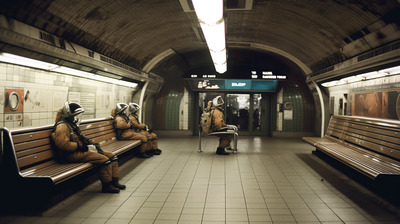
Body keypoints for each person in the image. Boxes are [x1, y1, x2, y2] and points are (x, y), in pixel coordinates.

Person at [51, 102, 126, 193]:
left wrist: (91, 144)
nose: (77, 118)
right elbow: (64, 145)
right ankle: (107, 185)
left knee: (112, 156)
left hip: (79, 151)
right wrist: (79, 146)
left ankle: (115, 181)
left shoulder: (71, 125)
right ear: (69, 116)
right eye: (76, 115)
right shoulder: (62, 127)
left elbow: (81, 138)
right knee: (104, 160)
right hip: (71, 155)